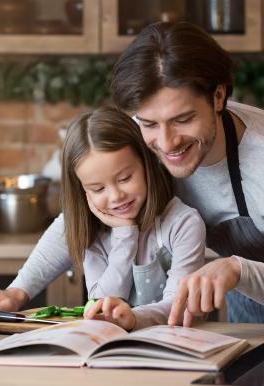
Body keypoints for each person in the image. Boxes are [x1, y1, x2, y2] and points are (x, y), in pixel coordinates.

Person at [0, 21, 264, 329]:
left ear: (219, 95)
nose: (166, 142)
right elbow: (76, 220)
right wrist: (18, 290)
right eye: (149, 123)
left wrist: (239, 269)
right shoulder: (142, 139)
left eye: (183, 119)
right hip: (245, 283)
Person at [52, 106, 205, 330]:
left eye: (125, 178)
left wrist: (134, 318)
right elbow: (98, 304)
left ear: (146, 163)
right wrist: (125, 233)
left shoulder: (183, 224)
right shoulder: (92, 232)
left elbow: (177, 306)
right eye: (97, 188)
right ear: (81, 191)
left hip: (178, 351)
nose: (116, 196)